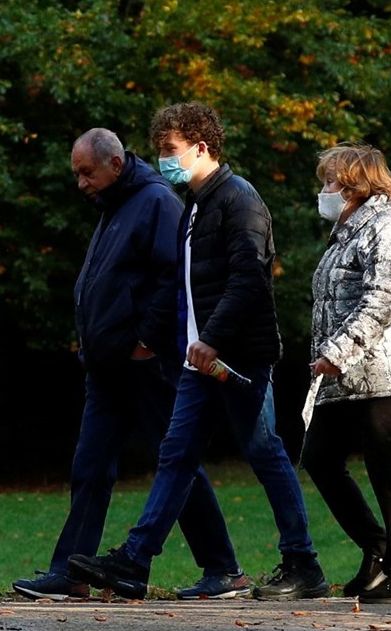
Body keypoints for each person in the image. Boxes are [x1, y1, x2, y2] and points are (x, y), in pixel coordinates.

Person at [68, 102, 328, 601]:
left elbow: (249, 278)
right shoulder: (195, 204)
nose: (164, 160)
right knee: (175, 456)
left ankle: (303, 563)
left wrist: (211, 338)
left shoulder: (239, 200)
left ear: (201, 147)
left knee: (264, 452)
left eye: (170, 150)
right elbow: (186, 286)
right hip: (198, 360)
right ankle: (134, 559)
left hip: (237, 358)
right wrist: (187, 342)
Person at [14, 128, 233, 600]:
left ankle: (223, 568)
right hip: (107, 365)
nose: (81, 183)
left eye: (86, 172)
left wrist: (145, 342)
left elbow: (175, 277)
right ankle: (70, 570)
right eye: (77, 174)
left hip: (142, 365)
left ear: (114, 164)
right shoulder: (115, 204)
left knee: (176, 462)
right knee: (89, 465)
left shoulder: (154, 201)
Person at [300, 143, 391, 603]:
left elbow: (382, 302)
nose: (325, 190)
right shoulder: (349, 231)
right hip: (345, 377)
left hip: (388, 373)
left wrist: (337, 352)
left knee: (385, 468)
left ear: (356, 185)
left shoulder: (389, 229)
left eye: (330, 182)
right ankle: (376, 548)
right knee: (318, 457)